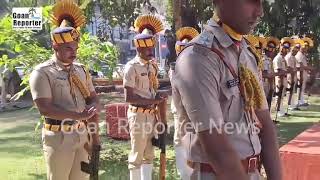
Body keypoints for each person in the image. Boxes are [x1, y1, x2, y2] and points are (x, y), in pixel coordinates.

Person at [171, 0, 282, 179]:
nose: (260, 12)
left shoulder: (247, 53)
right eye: (252, 1)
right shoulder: (198, 59)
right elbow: (218, 151)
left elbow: (265, 124)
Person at [29, 1, 100, 180]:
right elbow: (45, 108)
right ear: (55, 46)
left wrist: (95, 132)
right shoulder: (42, 72)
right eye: (68, 48)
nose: (73, 52)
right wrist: (79, 116)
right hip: (58, 137)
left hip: (81, 135)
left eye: (75, 48)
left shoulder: (82, 70)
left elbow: (92, 98)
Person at [123, 14, 166, 180]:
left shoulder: (152, 67)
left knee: (149, 153)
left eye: (152, 48)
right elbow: (129, 98)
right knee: (137, 155)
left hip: (151, 115)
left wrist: (158, 96)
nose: (151, 51)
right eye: (147, 48)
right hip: (138, 115)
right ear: (139, 48)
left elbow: (152, 89)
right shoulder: (131, 67)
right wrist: (154, 101)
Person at [170, 27, 199, 179]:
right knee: (181, 140)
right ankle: (184, 175)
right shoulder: (175, 69)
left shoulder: (196, 66)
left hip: (195, 114)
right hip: (181, 112)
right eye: (181, 48)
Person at [273, 37, 293, 118]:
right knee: (279, 95)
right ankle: (278, 112)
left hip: (284, 79)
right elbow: (278, 71)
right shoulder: (278, 58)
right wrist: (286, 72)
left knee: (282, 96)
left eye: (287, 48)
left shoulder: (283, 58)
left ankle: (281, 110)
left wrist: (288, 70)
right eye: (284, 48)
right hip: (279, 80)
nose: (286, 50)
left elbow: (285, 69)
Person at [295, 37, 314, 107]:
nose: (306, 48)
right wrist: (310, 68)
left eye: (306, 47)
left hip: (304, 73)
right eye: (304, 47)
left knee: (302, 87)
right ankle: (299, 101)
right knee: (300, 87)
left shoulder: (303, 55)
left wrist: (309, 69)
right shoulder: (299, 54)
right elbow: (301, 65)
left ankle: (302, 101)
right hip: (300, 73)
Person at [285, 39, 302, 111]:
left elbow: (295, 67)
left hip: (293, 76)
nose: (295, 52)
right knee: (289, 90)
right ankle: (289, 105)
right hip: (289, 76)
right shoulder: (288, 57)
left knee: (292, 91)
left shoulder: (293, 57)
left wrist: (298, 69)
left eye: (296, 51)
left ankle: (292, 104)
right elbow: (288, 68)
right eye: (294, 51)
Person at [263, 37, 280, 109]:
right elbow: (264, 74)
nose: (272, 50)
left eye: (273, 48)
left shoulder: (269, 59)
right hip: (264, 85)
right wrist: (277, 74)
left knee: (269, 102)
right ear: (266, 48)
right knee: (265, 104)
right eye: (270, 48)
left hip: (269, 85)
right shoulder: (264, 59)